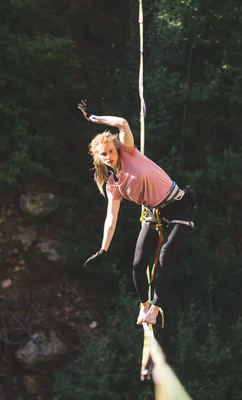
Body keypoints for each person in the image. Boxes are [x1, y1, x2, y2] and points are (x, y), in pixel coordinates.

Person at [78, 99, 195, 325]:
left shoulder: (129, 153)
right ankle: (143, 307)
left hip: (178, 205)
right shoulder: (113, 184)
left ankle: (155, 310)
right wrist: (103, 249)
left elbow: (122, 123)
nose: (109, 156)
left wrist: (94, 119)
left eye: (111, 151)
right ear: (98, 158)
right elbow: (111, 219)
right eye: (104, 154)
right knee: (138, 263)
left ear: (116, 149)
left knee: (164, 256)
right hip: (154, 212)